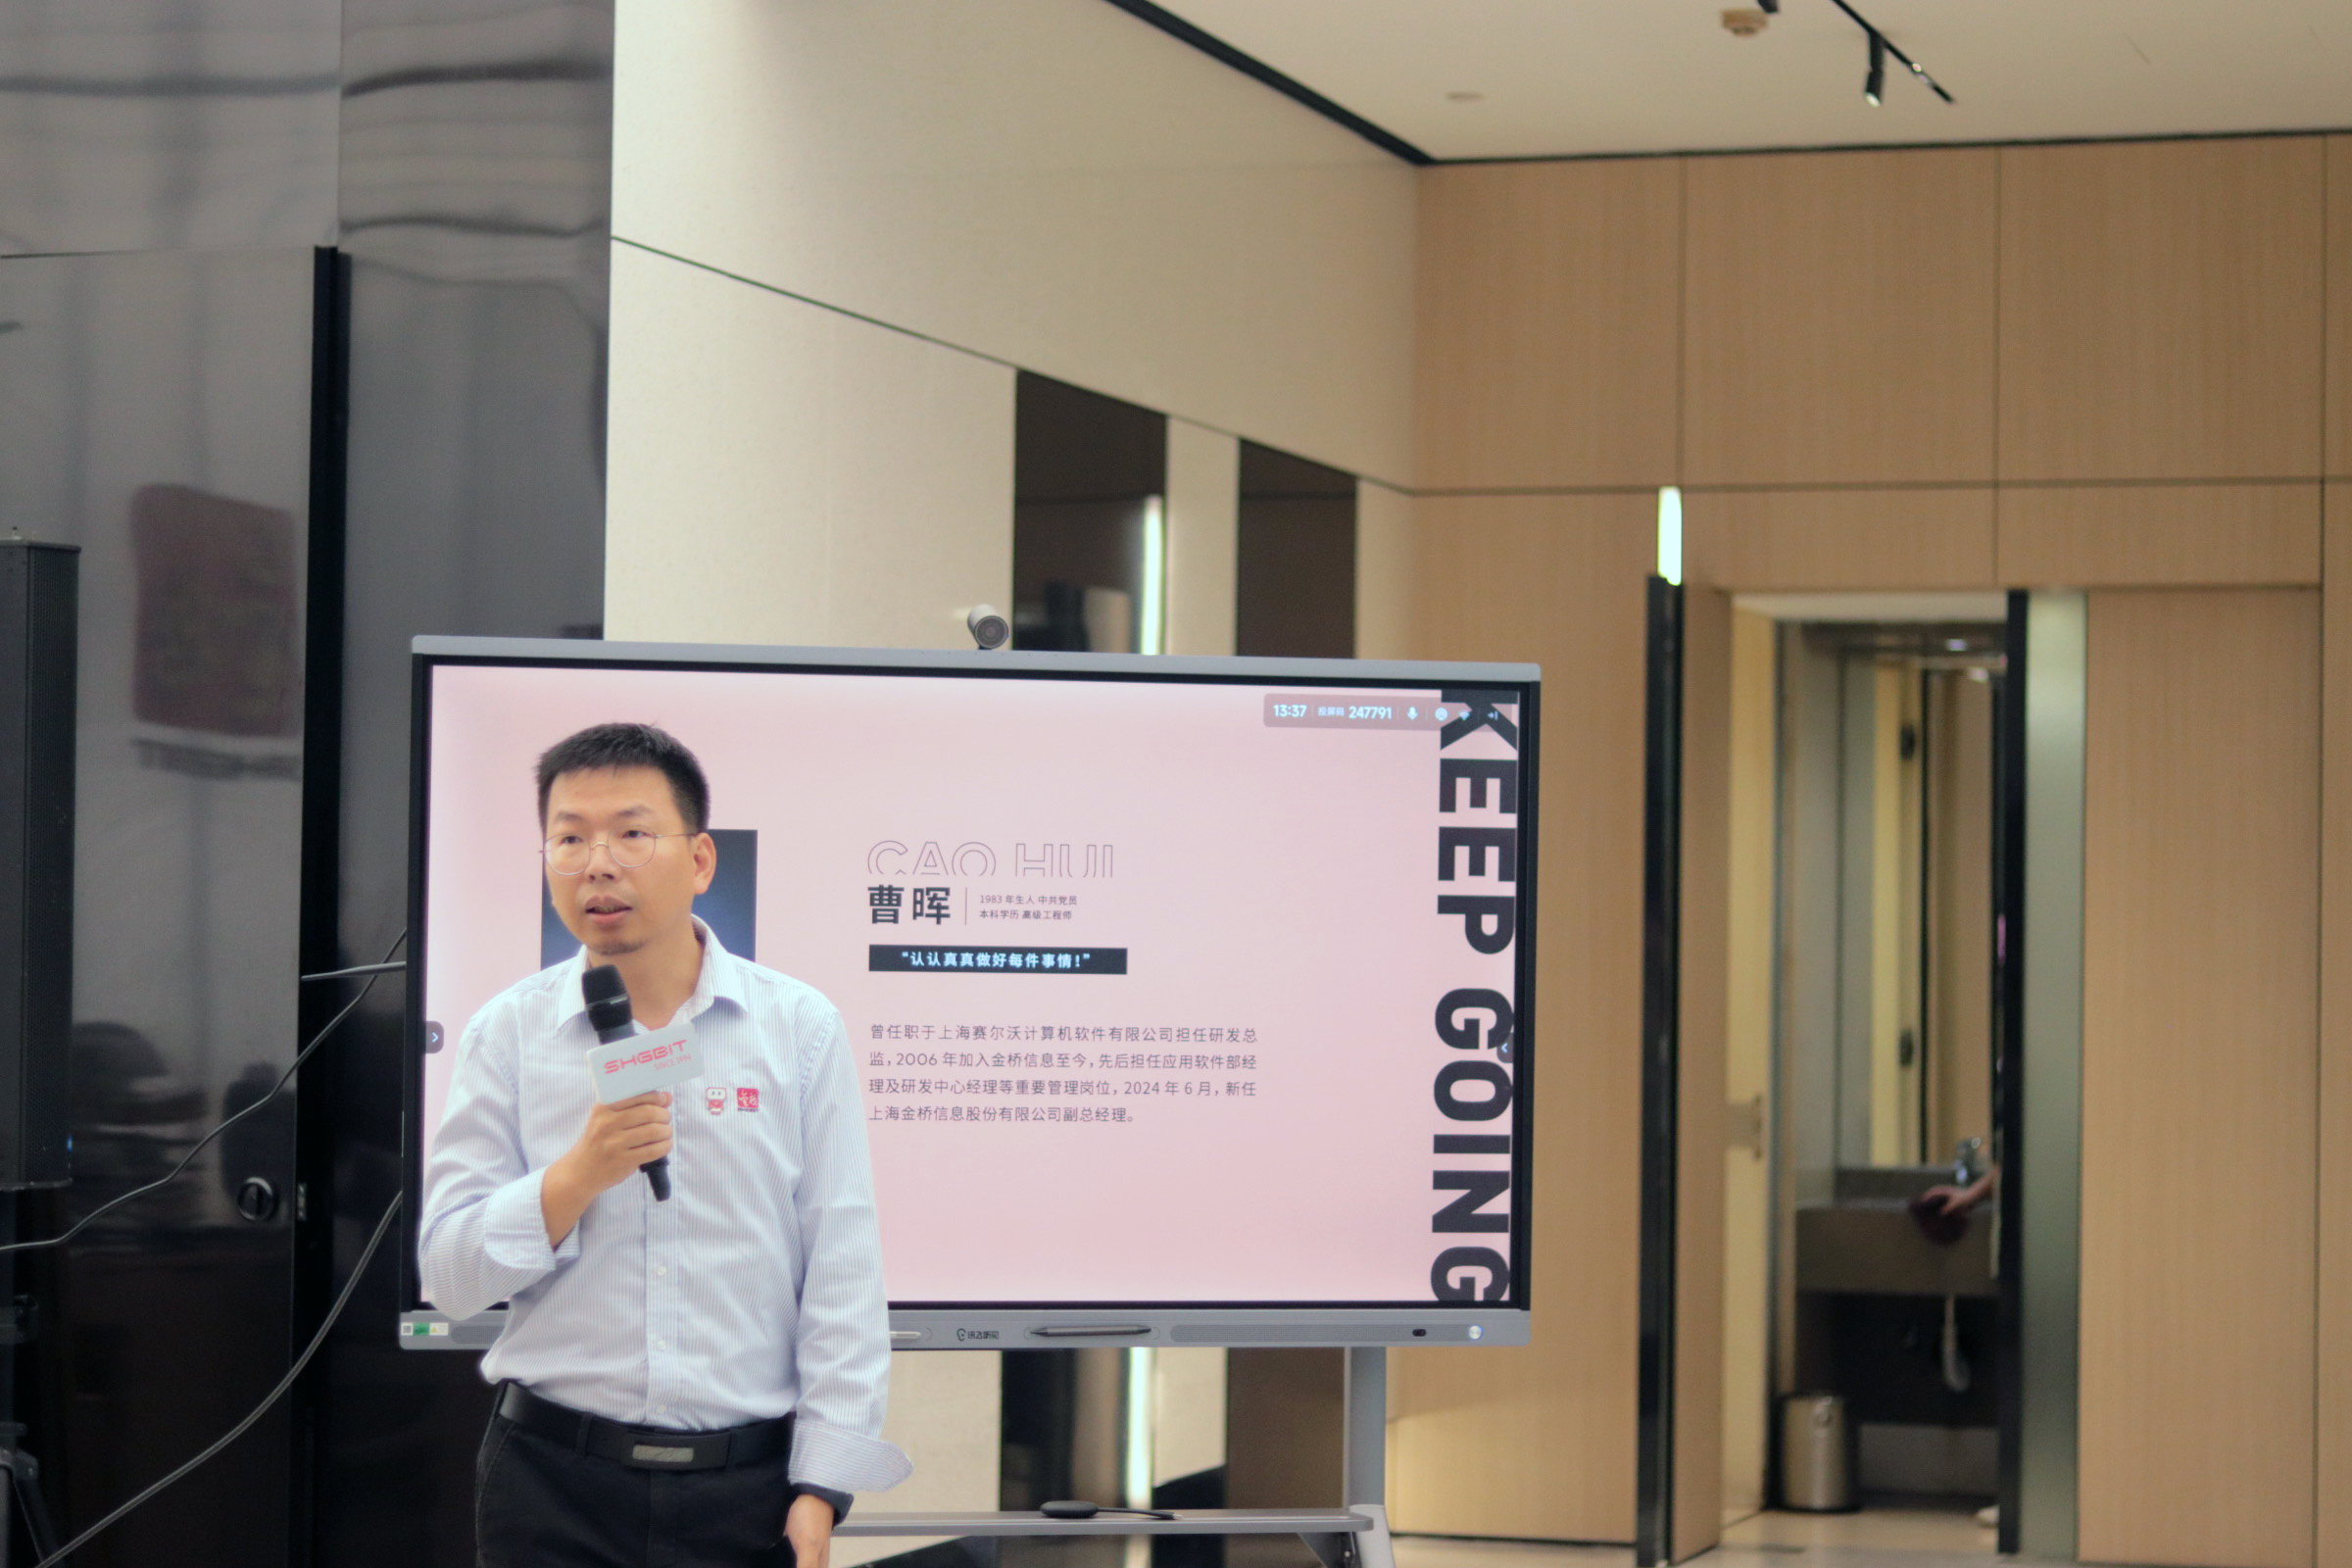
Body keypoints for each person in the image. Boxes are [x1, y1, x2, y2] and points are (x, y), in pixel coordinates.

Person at [421, 721, 908, 1567]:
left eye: (632, 834)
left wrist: (823, 1488)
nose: (598, 864)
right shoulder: (506, 1034)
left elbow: (842, 1265)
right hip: (551, 1485)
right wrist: (576, 1177)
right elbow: (450, 1279)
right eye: (570, 839)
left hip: (745, 1489)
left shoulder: (797, 1028)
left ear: (701, 860)